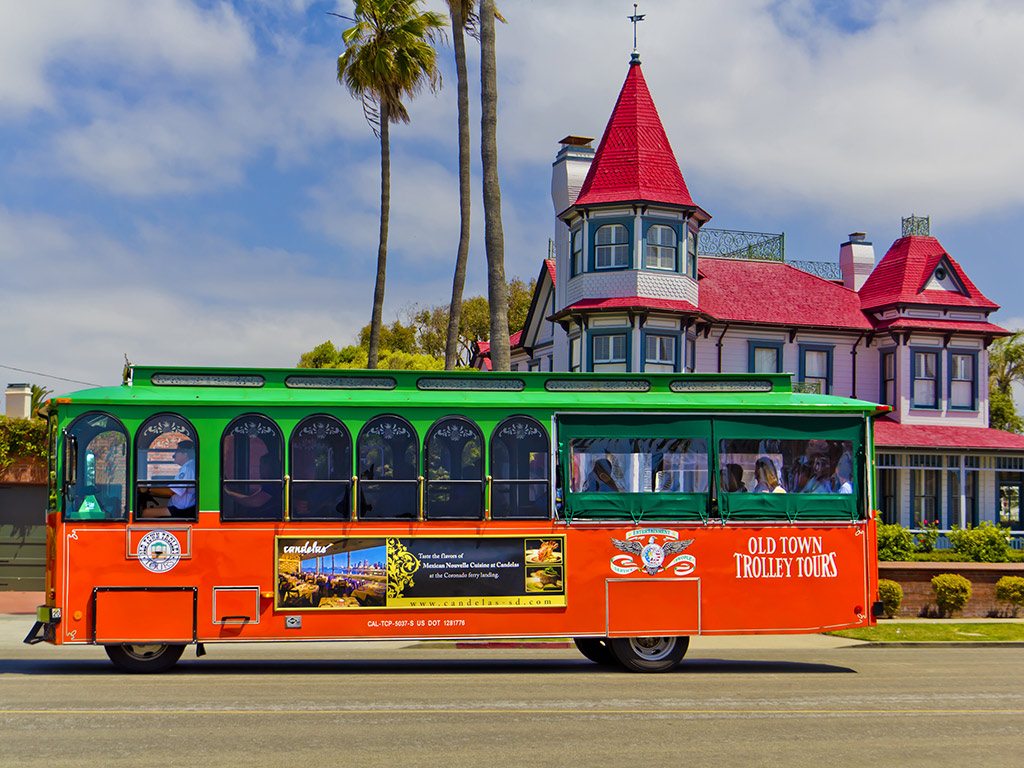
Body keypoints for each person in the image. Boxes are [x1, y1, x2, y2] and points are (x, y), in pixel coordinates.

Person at [141, 439, 196, 518]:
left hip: (181, 510)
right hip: (182, 508)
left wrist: (147, 490)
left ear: (185, 454)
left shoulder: (187, 469)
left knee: (146, 512)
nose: (174, 455)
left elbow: (171, 492)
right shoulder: (190, 466)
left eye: (177, 451)